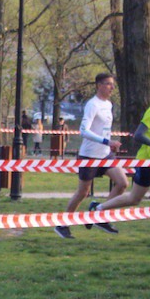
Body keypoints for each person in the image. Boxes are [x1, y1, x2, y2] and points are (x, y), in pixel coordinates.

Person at [54, 73, 125, 238]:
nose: (112, 87)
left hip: (106, 155)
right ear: (99, 85)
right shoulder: (92, 104)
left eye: (113, 84)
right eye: (108, 84)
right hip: (89, 155)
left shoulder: (108, 104)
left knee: (122, 183)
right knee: (83, 192)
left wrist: (109, 144)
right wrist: (106, 141)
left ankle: (100, 214)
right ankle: (62, 224)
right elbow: (84, 131)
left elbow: (104, 129)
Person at [89, 95, 150, 214]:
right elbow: (138, 135)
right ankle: (98, 208)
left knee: (134, 199)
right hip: (148, 162)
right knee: (134, 199)